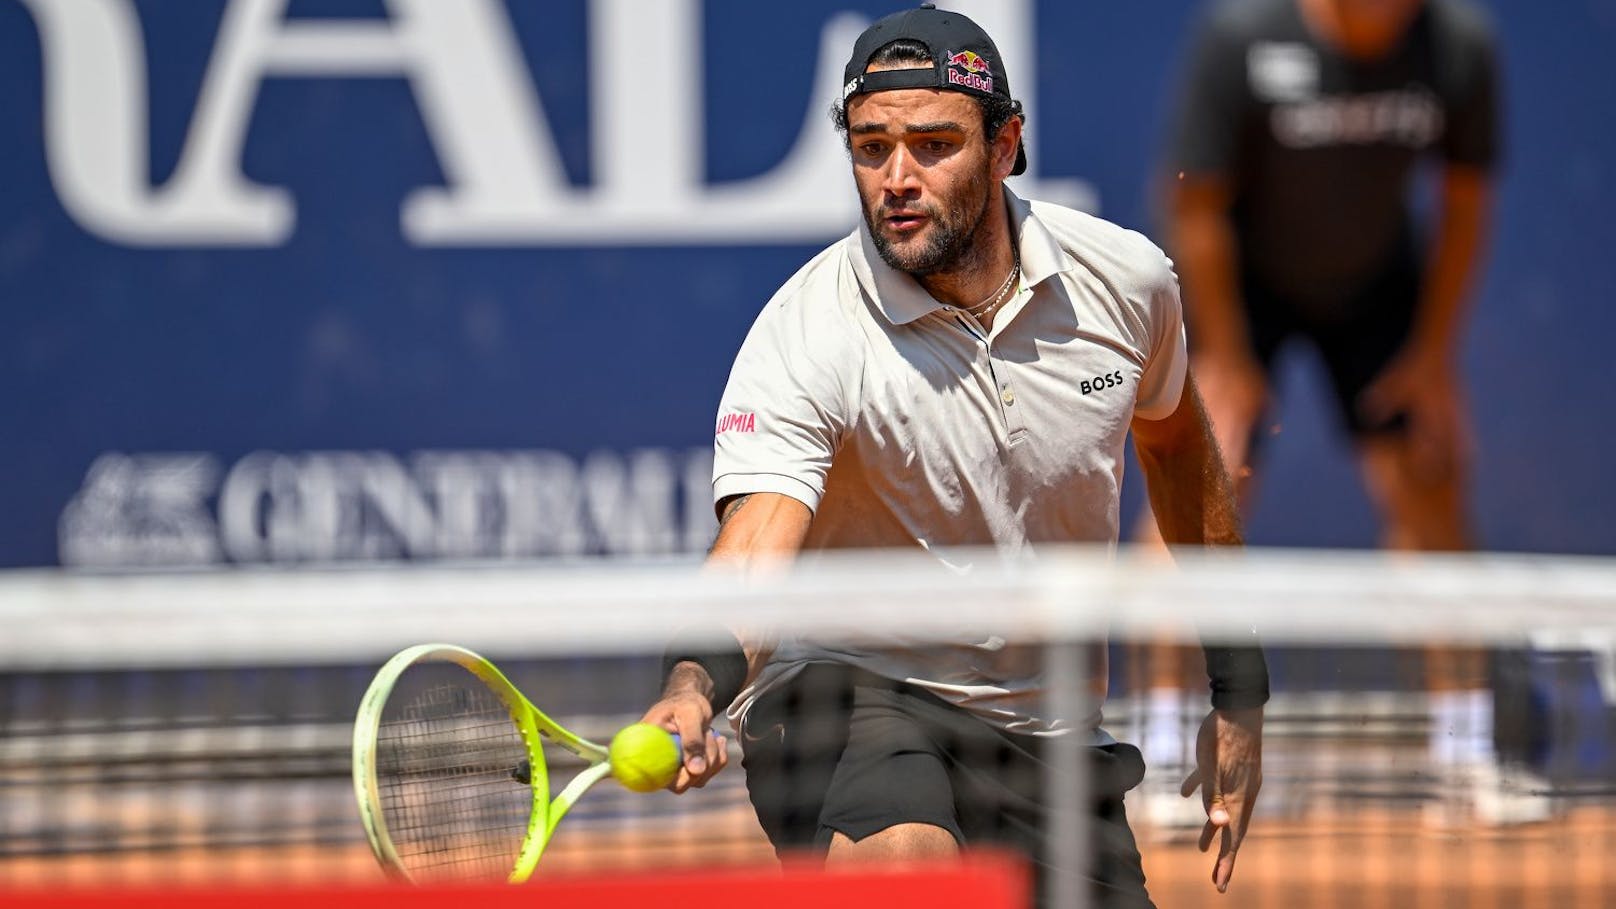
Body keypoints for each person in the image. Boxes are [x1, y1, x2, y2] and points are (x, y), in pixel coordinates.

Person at [639, 6, 1269, 905]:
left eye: (933, 145)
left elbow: (1176, 451)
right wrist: (694, 686)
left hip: (1046, 728)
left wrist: (1239, 688)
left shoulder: (1126, 287)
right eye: (871, 147)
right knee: (910, 868)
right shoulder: (806, 334)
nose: (897, 178)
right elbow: (755, 549)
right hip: (848, 699)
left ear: (1007, 143)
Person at [1134, 0, 1508, 822]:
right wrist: (1227, 360)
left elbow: (1465, 202)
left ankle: (1465, 753)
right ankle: (1159, 751)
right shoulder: (1243, 37)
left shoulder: (1459, 48)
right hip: (1243, 288)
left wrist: (1434, 355)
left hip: (1378, 294)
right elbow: (1193, 203)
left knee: (1429, 486)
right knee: (1196, 491)